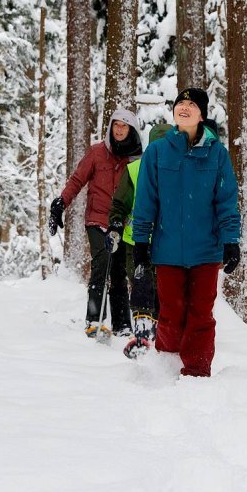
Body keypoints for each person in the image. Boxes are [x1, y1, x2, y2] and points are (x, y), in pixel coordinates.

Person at [131, 88, 240, 377]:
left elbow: (226, 201)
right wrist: (141, 242)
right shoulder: (157, 151)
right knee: (170, 312)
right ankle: (167, 365)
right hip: (167, 251)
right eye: (181, 102)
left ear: (201, 115)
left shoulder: (217, 154)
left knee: (201, 314)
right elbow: (145, 201)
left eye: (192, 104)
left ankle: (196, 372)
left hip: (206, 250)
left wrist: (231, 241)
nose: (184, 107)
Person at [49, 109, 143, 337]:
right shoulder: (97, 153)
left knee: (119, 270)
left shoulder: (137, 158)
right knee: (102, 263)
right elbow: (77, 179)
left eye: (124, 126)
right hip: (97, 219)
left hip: (122, 222)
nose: (119, 130)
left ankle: (122, 325)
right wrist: (61, 202)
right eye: (116, 125)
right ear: (110, 127)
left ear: (131, 130)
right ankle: (94, 319)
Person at [107, 122, 174, 353]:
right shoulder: (135, 169)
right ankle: (142, 334)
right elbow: (120, 203)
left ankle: (159, 336)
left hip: (166, 242)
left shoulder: (179, 171)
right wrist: (115, 224)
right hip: (134, 240)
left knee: (162, 288)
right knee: (141, 283)